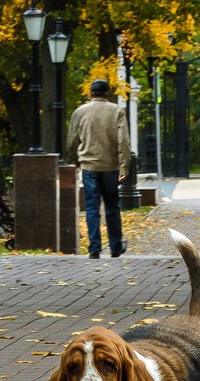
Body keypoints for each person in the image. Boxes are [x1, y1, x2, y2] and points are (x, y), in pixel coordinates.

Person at [66, 79, 131, 259]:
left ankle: (94, 248)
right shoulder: (117, 111)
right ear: (107, 93)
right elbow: (123, 141)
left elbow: (71, 141)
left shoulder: (80, 112)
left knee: (92, 208)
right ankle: (116, 247)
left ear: (90, 93)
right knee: (112, 207)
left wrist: (76, 160)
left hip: (89, 167)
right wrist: (124, 166)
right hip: (110, 166)